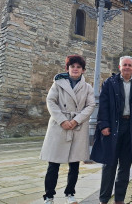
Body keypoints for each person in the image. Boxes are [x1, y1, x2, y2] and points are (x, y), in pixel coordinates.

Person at [90, 55, 132, 204]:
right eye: (125, 65)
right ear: (119, 67)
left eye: (130, 65)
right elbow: (103, 105)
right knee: (109, 164)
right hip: (114, 126)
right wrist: (103, 125)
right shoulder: (109, 83)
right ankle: (104, 199)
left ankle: (119, 200)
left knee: (125, 166)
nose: (127, 67)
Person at [40, 55, 95, 204]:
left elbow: (90, 105)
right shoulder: (58, 84)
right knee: (53, 164)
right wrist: (62, 120)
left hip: (77, 127)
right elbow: (51, 101)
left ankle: (70, 193)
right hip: (59, 126)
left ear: (83, 70)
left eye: (78, 67)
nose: (75, 69)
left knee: (74, 165)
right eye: (72, 66)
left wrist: (76, 120)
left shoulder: (87, 87)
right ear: (67, 68)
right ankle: (49, 196)